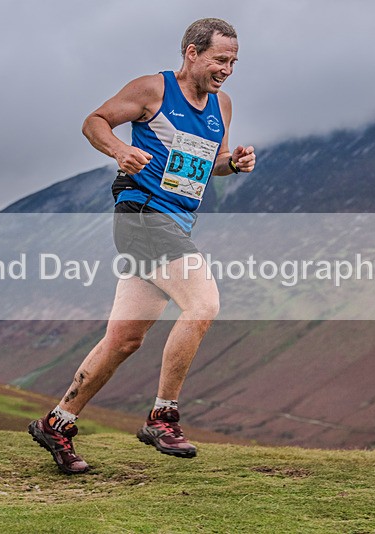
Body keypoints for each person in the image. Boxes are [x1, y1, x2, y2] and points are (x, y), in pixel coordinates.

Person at [29, 18, 256, 474]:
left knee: (124, 339)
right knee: (203, 304)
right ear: (192, 53)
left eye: (234, 61)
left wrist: (236, 163)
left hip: (175, 225)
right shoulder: (152, 90)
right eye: (220, 60)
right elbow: (94, 121)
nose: (228, 69)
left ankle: (58, 422)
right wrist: (119, 150)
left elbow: (212, 165)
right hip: (142, 217)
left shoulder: (221, 104)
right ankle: (163, 415)